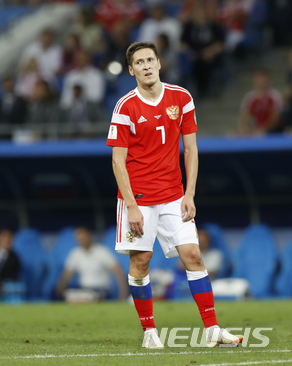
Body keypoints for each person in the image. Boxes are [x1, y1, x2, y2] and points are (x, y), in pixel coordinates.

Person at [106, 41, 243, 349]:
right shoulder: (125, 106)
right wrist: (131, 206)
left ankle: (212, 329)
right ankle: (150, 333)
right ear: (131, 70)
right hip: (137, 198)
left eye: (150, 59)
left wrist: (189, 194)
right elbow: (117, 160)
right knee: (141, 261)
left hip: (173, 195)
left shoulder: (181, 98)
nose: (146, 65)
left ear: (159, 63)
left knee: (193, 256)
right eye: (139, 62)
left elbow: (191, 149)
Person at [56, 227, 128, 300]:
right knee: (70, 295)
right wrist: (59, 292)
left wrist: (123, 293)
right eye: (79, 238)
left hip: (101, 290)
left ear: (90, 236)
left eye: (83, 238)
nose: (81, 240)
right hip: (83, 290)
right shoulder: (75, 253)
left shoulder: (102, 251)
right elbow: (66, 275)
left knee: (88, 298)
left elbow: (118, 271)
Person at [238, 68, 284, 135]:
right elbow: (245, 116)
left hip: (271, 130)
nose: (261, 81)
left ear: (268, 80)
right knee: (232, 135)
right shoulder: (249, 97)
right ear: (254, 80)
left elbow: (275, 118)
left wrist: (263, 129)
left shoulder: (275, 96)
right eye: (259, 79)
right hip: (256, 129)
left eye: (263, 79)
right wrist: (244, 128)